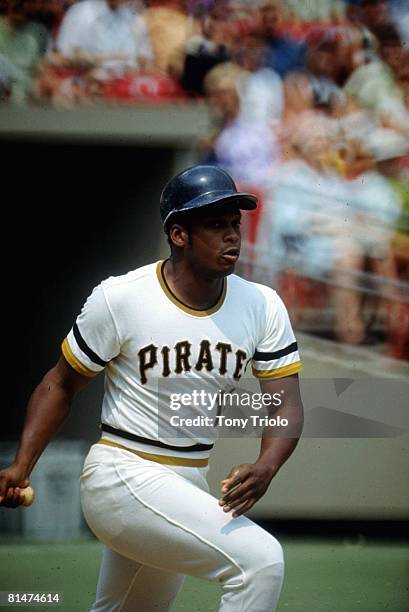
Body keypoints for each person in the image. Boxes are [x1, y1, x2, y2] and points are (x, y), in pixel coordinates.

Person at [0, 165, 304, 612]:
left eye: (234, 223)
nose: (231, 235)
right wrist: (21, 465)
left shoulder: (262, 304)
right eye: (215, 224)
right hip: (122, 473)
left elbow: (286, 405)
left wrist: (267, 465)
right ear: (178, 234)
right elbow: (60, 384)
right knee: (260, 563)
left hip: (187, 481)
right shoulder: (122, 296)